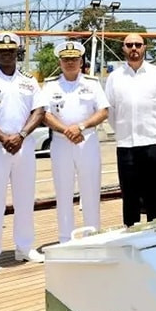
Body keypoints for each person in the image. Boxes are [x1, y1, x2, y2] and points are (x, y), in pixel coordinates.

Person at [0, 32, 46, 273]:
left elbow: (39, 111)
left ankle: (24, 247)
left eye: (11, 50)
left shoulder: (29, 80)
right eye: (2, 51)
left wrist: (21, 135)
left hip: (24, 147)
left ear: (17, 53)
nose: (7, 53)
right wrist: (5, 138)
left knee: (25, 199)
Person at [39, 40, 109, 243]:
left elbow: (103, 111)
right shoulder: (51, 85)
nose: (70, 63)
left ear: (81, 61)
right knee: (63, 190)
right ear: (60, 61)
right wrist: (66, 130)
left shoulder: (92, 84)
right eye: (66, 59)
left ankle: (92, 235)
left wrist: (80, 127)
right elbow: (45, 114)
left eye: (74, 59)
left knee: (91, 189)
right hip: (61, 142)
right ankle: (65, 238)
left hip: (87, 140)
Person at [103, 33, 156, 227]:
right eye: (129, 44)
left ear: (145, 48)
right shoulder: (114, 78)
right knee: (129, 195)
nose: (134, 48)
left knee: (154, 196)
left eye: (138, 45)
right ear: (123, 48)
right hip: (126, 144)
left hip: (153, 142)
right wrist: (123, 131)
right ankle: (131, 236)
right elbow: (112, 111)